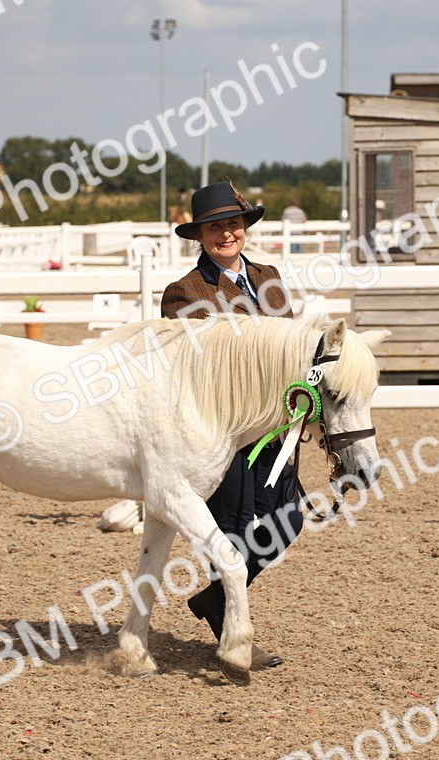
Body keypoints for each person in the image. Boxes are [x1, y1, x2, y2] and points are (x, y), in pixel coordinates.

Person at [160, 181, 303, 670]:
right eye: (215, 226)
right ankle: (232, 631)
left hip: (276, 426)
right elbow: (193, 367)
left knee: (289, 522)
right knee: (238, 530)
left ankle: (211, 602)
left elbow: (291, 346)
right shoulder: (184, 293)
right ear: (199, 235)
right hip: (225, 432)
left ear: (245, 227)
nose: (226, 233)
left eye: (233, 224)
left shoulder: (269, 276)